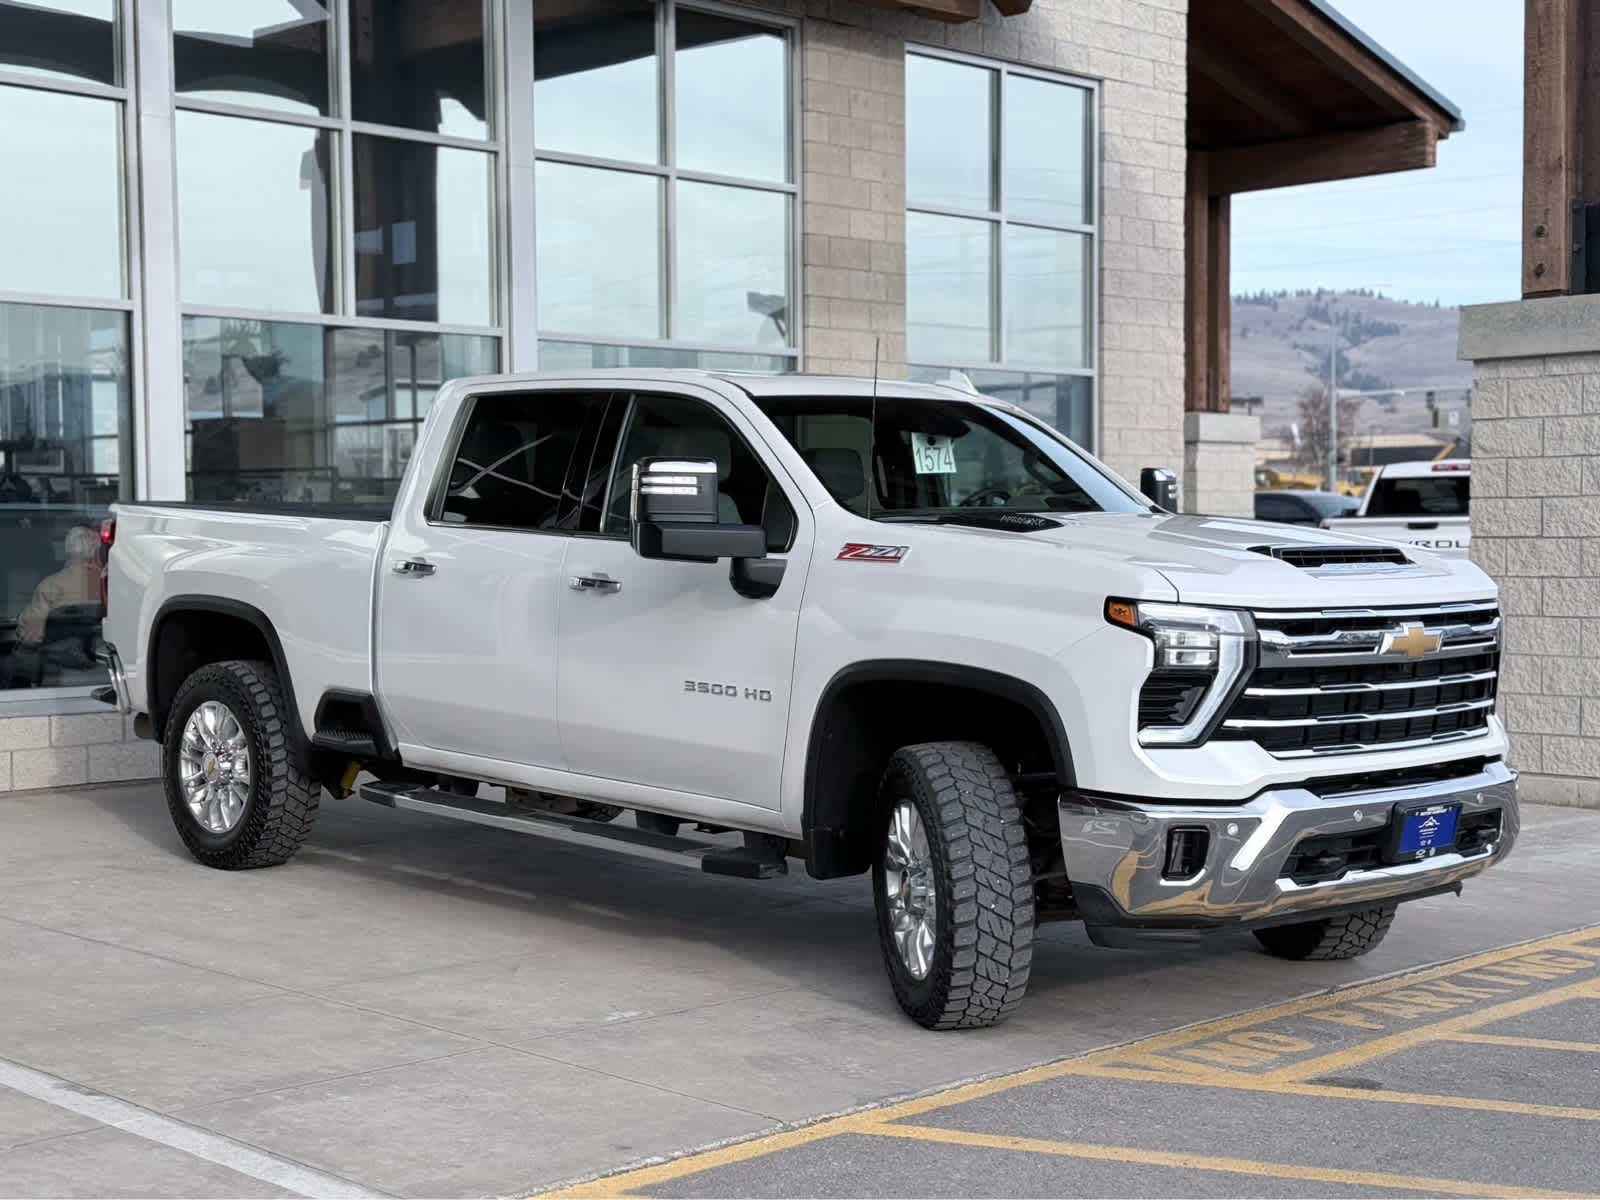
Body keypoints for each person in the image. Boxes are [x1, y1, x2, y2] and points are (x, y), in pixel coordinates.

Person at [7, 525, 103, 686]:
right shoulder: (112, 584)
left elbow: (32, 635)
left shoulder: (51, 585)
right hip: (105, 669)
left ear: (68, 551)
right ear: (97, 551)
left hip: (58, 674)